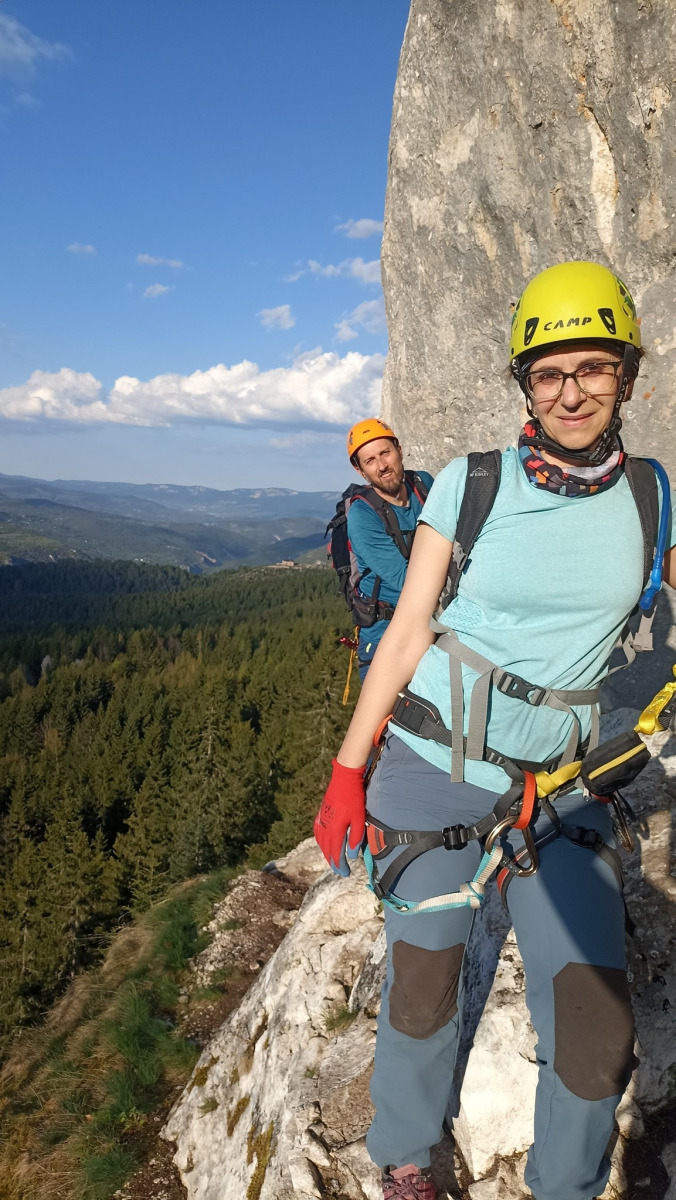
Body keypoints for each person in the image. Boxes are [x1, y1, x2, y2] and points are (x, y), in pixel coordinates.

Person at [314, 261, 675, 1200]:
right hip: (432, 762)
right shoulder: (474, 484)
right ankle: (404, 1156)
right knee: (425, 981)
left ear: (627, 377)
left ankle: (564, 1187)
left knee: (597, 1033)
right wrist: (348, 772)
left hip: (559, 787)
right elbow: (406, 633)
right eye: (549, 374)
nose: (571, 393)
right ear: (525, 384)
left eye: (593, 368)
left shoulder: (650, 496)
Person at [345, 418, 434, 681]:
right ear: (360, 471)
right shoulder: (362, 516)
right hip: (386, 634)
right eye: (370, 461)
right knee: (387, 708)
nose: (382, 466)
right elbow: (404, 580)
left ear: (399, 450)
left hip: (431, 619)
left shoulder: (423, 485)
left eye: (385, 453)